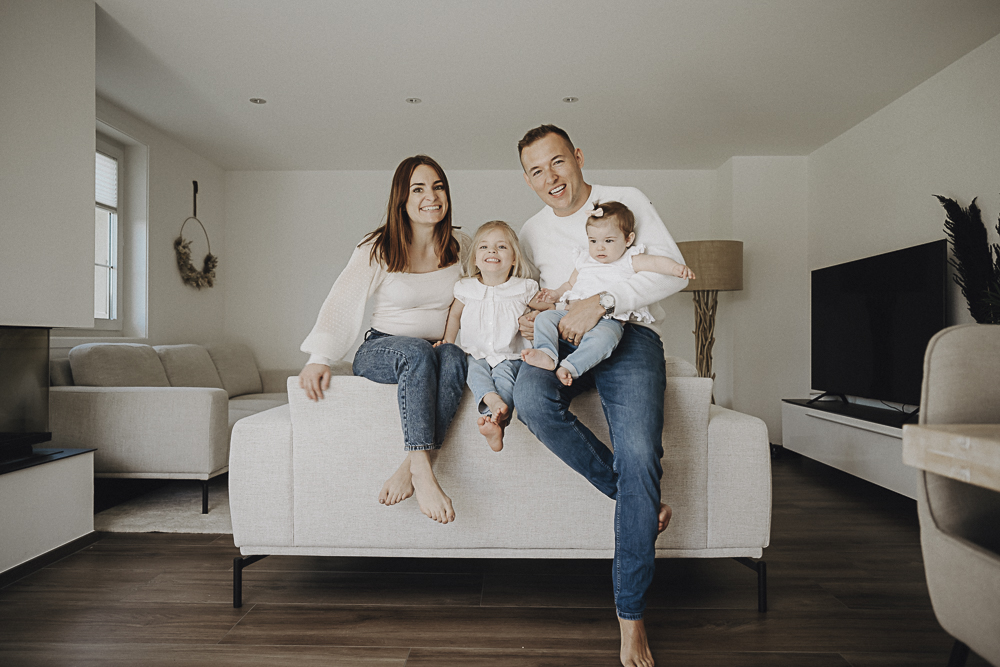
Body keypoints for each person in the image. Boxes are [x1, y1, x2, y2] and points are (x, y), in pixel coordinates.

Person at [512, 125, 688, 667]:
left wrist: (604, 299)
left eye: (558, 162)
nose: (551, 178)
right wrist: (530, 317)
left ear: (578, 157)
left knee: (640, 453)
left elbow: (670, 274)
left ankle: (631, 617)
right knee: (532, 400)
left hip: (629, 335)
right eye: (537, 171)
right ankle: (637, 499)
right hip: (565, 336)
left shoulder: (626, 201)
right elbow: (540, 297)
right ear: (528, 178)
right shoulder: (531, 230)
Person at [298, 155, 468, 525]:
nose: (432, 196)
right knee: (418, 352)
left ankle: (408, 468)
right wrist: (320, 356)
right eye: (418, 189)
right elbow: (343, 299)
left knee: (454, 358)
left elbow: (486, 291)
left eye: (438, 187)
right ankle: (424, 471)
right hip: (383, 348)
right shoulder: (378, 245)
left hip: (439, 350)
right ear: (401, 199)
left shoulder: (461, 245)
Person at [523, 200, 694, 387]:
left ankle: (571, 366)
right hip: (571, 314)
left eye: (609, 241)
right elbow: (570, 284)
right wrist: (555, 294)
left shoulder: (629, 259)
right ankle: (547, 354)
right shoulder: (585, 260)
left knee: (605, 339)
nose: (600, 247)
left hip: (607, 320)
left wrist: (676, 268)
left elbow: (655, 263)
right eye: (593, 241)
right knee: (544, 319)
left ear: (628, 240)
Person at [437, 220, 546, 452]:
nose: (492, 251)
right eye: (484, 247)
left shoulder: (523, 288)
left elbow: (548, 309)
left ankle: (496, 421)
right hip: (474, 353)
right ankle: (492, 402)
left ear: (514, 258)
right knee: (473, 371)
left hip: (510, 355)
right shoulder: (466, 288)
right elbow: (454, 315)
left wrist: (536, 314)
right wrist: (447, 341)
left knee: (506, 379)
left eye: (502, 247)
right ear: (475, 259)